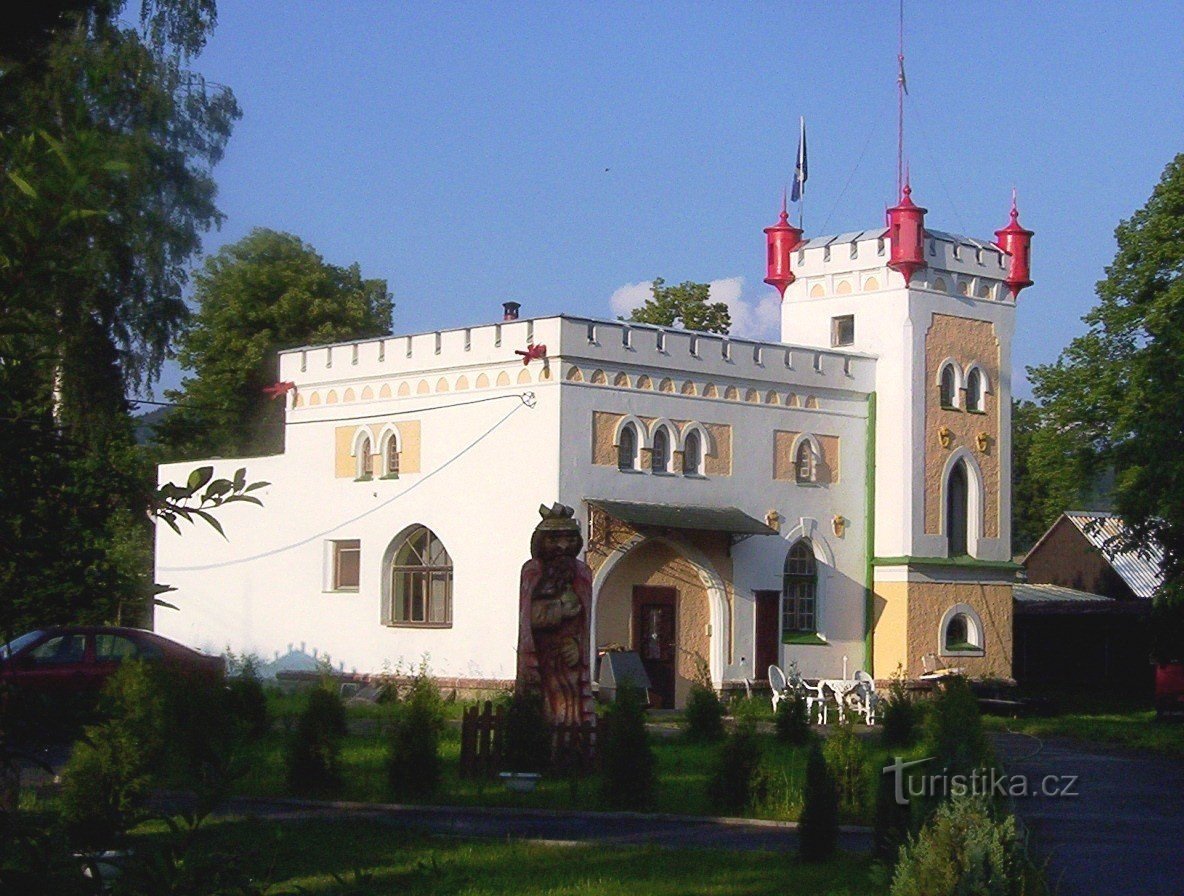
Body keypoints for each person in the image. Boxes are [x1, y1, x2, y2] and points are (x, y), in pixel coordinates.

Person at [516, 503, 596, 727]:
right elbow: (529, 617)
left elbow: (584, 619)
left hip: (569, 652)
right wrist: (559, 609)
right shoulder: (533, 572)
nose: (562, 547)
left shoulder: (581, 573)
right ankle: (542, 743)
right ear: (541, 542)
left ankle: (571, 747)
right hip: (543, 653)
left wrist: (578, 646)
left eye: (569, 540)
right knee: (546, 701)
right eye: (554, 540)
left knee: (571, 704)